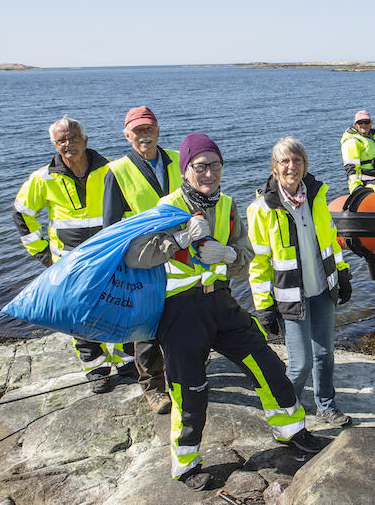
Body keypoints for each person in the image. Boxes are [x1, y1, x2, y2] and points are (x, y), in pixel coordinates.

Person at [124, 133, 323, 490]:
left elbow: (245, 255)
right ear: (186, 169)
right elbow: (136, 255)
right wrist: (179, 240)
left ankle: (291, 431)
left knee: (267, 364)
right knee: (190, 390)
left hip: (221, 301)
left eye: (215, 165)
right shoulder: (166, 205)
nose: (209, 173)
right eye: (200, 166)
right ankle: (185, 465)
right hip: (180, 310)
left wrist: (230, 256)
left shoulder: (228, 205)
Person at [13, 116, 134, 394]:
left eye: (73, 138)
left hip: (109, 255)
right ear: (55, 145)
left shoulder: (111, 170)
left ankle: (127, 360)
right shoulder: (43, 178)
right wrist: (43, 254)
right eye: (62, 140)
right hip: (69, 261)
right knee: (80, 313)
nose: (68, 144)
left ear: (85, 140)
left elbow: (131, 207)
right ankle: (96, 368)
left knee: (118, 304)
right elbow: (22, 213)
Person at [247, 136, 354, 428]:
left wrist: (342, 273)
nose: (291, 166)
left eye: (297, 160)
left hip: (322, 289)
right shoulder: (262, 208)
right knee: (300, 363)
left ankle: (326, 406)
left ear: (305, 165)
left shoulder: (317, 198)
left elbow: (330, 241)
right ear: (274, 167)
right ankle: (284, 412)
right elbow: (258, 263)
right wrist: (263, 305)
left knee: (325, 354)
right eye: (284, 161)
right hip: (290, 296)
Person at [101, 106, 176, 414]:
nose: (144, 135)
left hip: (179, 251)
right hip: (141, 257)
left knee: (178, 316)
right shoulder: (116, 171)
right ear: (127, 134)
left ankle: (179, 375)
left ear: (157, 129)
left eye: (149, 129)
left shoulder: (177, 157)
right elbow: (111, 224)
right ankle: (153, 388)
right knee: (145, 325)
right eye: (138, 130)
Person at [341, 110, 375, 193]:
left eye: (366, 122)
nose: (363, 125)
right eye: (360, 122)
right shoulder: (353, 141)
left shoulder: (374, 138)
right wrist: (356, 188)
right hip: (365, 182)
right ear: (355, 124)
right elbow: (351, 168)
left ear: (371, 123)